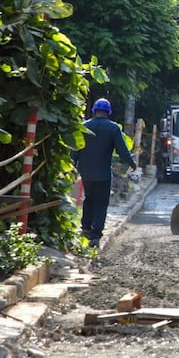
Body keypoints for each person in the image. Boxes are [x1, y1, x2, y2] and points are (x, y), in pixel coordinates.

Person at [71, 98, 137, 247]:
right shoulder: (113, 128)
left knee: (88, 198)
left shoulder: (84, 126)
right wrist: (131, 163)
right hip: (103, 175)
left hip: (86, 173)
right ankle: (95, 236)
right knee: (101, 203)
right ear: (108, 112)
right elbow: (122, 150)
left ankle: (85, 229)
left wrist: (72, 165)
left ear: (94, 110)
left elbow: (75, 149)